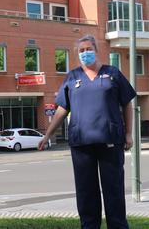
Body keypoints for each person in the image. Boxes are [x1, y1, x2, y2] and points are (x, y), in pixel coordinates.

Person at [38, 34, 136, 229]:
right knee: (86, 193)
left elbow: (127, 103)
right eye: (81, 51)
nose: (85, 53)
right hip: (81, 144)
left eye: (88, 49)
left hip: (110, 141)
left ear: (96, 50)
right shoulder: (72, 77)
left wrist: (128, 133)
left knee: (113, 191)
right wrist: (48, 134)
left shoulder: (113, 74)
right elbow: (61, 109)